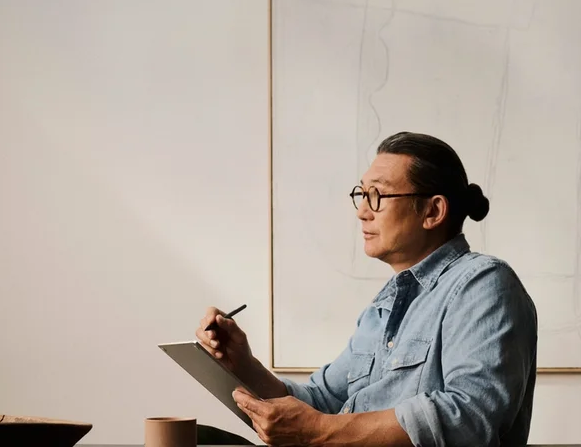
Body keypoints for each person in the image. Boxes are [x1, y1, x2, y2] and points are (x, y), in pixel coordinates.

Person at [196, 132, 538, 446]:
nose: (362, 212)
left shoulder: (484, 285)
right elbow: (320, 404)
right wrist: (242, 363)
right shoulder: (385, 306)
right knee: (197, 437)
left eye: (377, 195)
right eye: (362, 194)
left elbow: (470, 416)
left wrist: (318, 431)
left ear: (433, 211)